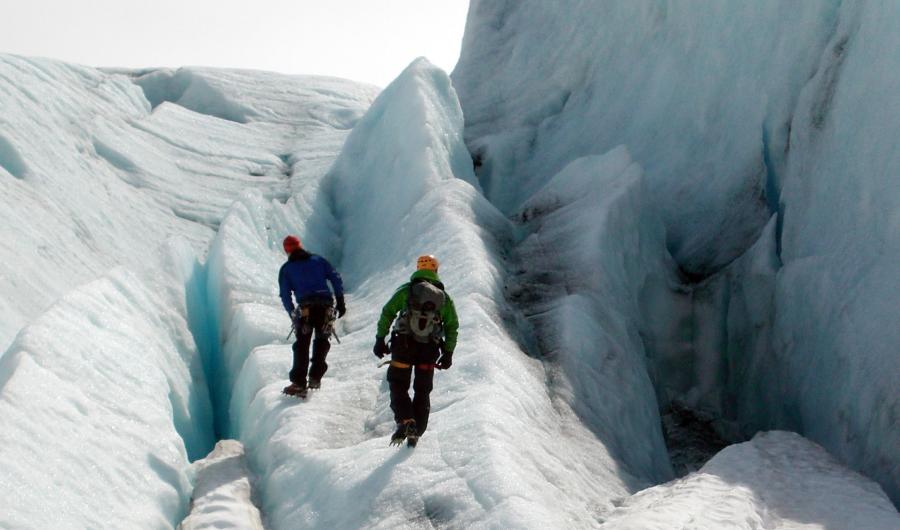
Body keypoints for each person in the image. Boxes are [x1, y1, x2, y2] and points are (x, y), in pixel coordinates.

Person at [373, 254, 458, 447]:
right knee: (422, 390)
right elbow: (452, 326)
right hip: (429, 350)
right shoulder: (444, 298)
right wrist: (448, 352)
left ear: (418, 268)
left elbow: (388, 312)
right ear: (436, 270)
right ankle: (416, 432)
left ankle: (405, 420)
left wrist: (380, 339)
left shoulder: (406, 291)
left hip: (403, 345)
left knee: (398, 384)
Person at [279, 235, 345, 398]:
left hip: (305, 310)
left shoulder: (287, 269)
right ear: (300, 246)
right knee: (322, 340)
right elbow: (335, 278)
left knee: (302, 345)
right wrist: (341, 300)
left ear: (287, 250)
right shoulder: (318, 261)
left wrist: (292, 313)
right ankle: (315, 376)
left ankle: (299, 383)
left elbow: (285, 294)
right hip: (325, 306)